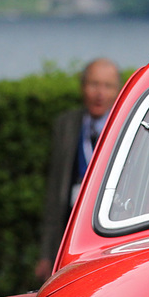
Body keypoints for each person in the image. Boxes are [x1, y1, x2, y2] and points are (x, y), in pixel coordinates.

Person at [36, 58, 122, 280]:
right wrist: (46, 254)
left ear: (118, 91)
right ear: (82, 87)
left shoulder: (123, 126)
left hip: (109, 231)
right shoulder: (65, 125)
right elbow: (54, 192)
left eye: (107, 86)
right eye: (93, 84)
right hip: (68, 230)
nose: (99, 93)